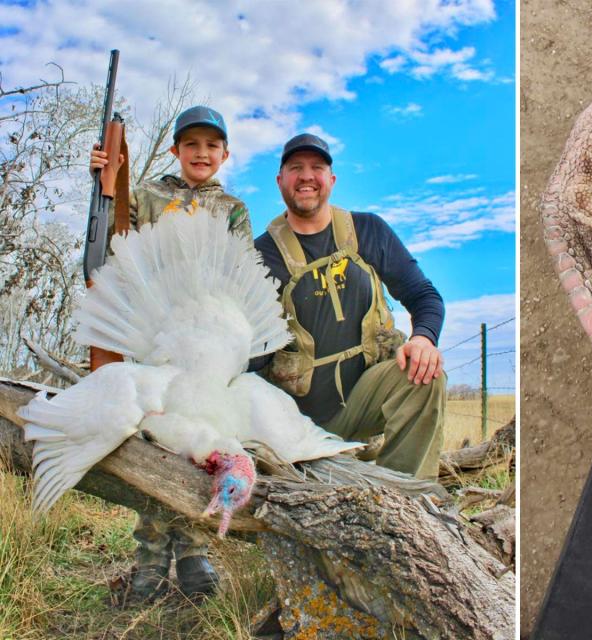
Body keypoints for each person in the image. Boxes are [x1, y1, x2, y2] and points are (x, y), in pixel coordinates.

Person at [89, 105, 250, 600]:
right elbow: (116, 244)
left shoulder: (234, 209)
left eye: (211, 145)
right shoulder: (148, 195)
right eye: (191, 145)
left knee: (202, 438)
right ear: (176, 150)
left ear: (224, 153)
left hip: (206, 339)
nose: (201, 153)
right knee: (157, 434)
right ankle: (151, 555)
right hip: (153, 334)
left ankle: (194, 550)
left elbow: (240, 271)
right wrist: (106, 180)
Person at [254, 133, 446, 481]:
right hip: (295, 424)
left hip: (363, 404)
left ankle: (405, 500)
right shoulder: (261, 256)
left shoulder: (368, 230)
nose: (306, 176)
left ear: (332, 179)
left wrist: (423, 339)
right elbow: (251, 355)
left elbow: (424, 295)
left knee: (424, 374)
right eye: (295, 168)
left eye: (317, 167)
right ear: (280, 180)